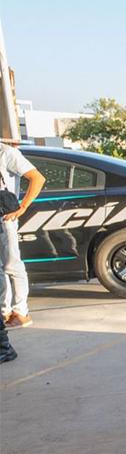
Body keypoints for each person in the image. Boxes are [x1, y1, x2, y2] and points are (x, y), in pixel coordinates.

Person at [1, 139, 45, 328]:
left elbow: (38, 178)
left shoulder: (6, 153)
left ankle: (20, 312)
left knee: (12, 265)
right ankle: (5, 312)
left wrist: (23, 207)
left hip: (5, 218)